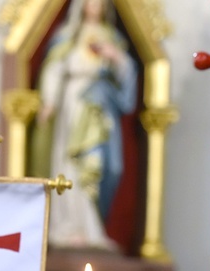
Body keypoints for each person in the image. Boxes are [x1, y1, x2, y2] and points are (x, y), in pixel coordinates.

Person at [32, 0, 138, 249]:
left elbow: (127, 73)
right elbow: (54, 68)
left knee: (106, 166)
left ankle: (93, 228)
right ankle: (69, 226)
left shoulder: (112, 37)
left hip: (101, 106)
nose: (95, 5)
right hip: (74, 102)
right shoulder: (68, 35)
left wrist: (116, 57)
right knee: (71, 163)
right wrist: (49, 100)